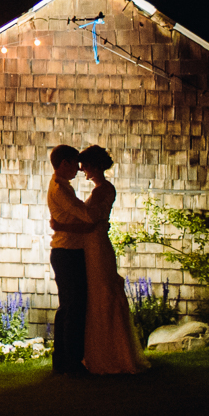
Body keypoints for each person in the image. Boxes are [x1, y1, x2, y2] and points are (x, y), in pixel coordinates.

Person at [76, 145, 148, 374]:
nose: (82, 170)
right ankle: (110, 350)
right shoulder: (106, 189)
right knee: (102, 292)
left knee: (101, 293)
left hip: (96, 244)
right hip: (96, 244)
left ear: (95, 165)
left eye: (85, 165)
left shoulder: (101, 191)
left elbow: (91, 219)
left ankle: (108, 354)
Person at [45, 144, 97, 375]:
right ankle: (71, 361)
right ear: (64, 163)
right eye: (75, 163)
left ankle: (64, 359)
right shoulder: (61, 189)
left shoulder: (61, 186)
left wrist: (63, 224)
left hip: (67, 250)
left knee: (69, 306)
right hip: (67, 251)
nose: (78, 169)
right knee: (73, 307)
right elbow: (85, 215)